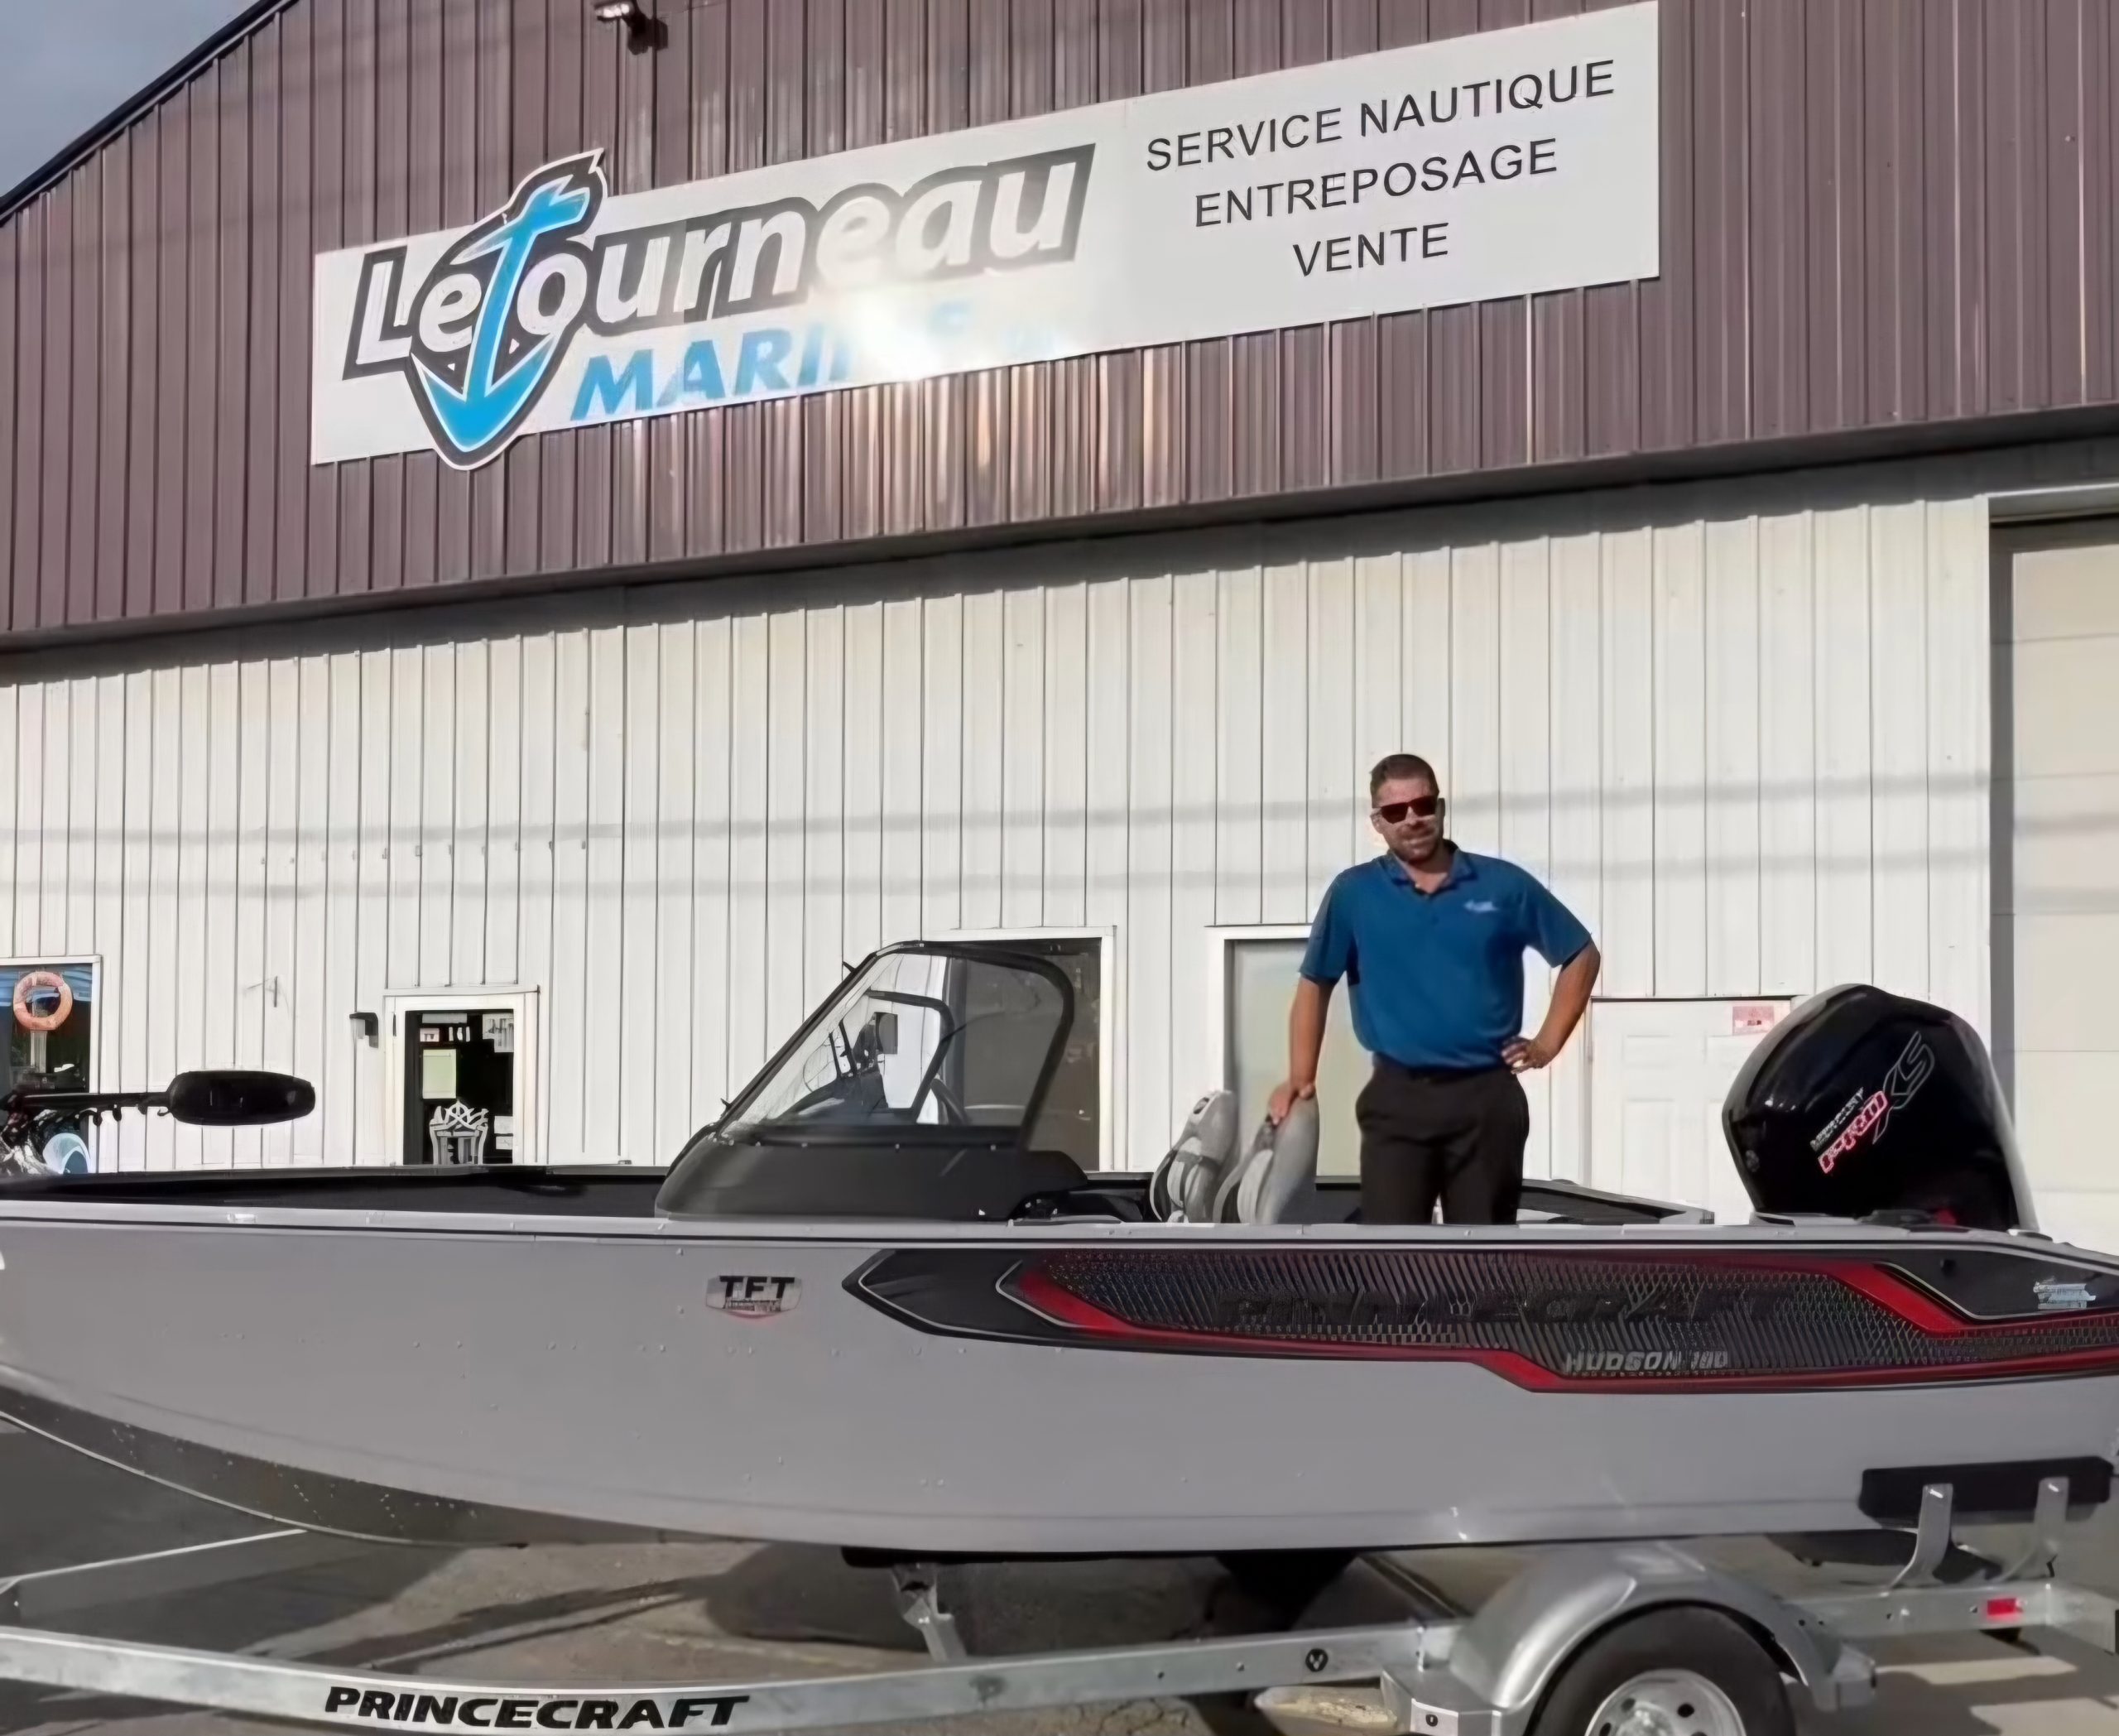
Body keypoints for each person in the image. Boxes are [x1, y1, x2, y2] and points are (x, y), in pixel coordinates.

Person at [1267, 753, 1600, 1225]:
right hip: (1398, 1098)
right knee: (1393, 1248)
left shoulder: (1501, 886)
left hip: (1487, 1099)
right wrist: (1301, 1079)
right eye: (1396, 811)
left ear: (1440, 808)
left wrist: (1547, 1043)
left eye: (1423, 806)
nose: (1412, 819)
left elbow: (1581, 954)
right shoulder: (1354, 894)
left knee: (1482, 1250)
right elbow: (1315, 984)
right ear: (1378, 823)